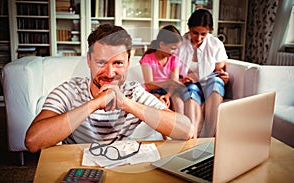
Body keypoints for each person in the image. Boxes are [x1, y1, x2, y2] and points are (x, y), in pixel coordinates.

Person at [25, 24, 195, 153]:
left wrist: (125, 103)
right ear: (89, 60)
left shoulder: (133, 94)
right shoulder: (69, 91)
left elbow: (186, 130)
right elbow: (33, 141)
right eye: (101, 62)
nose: (109, 73)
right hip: (77, 171)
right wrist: (94, 104)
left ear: (128, 63)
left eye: (118, 63)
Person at [177, 9, 229, 137]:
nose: (198, 38)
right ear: (189, 28)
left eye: (203, 34)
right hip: (188, 83)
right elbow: (171, 69)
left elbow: (219, 70)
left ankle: (209, 137)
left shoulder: (215, 44)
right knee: (191, 90)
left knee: (216, 82)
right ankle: (193, 138)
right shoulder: (179, 44)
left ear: (209, 32)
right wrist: (180, 80)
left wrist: (224, 77)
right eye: (195, 33)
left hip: (208, 82)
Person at [139, 25, 185, 109]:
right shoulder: (148, 59)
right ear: (161, 44)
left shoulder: (174, 59)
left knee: (179, 104)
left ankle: (180, 122)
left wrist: (168, 95)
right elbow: (149, 85)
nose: (175, 52)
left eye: (177, 49)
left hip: (171, 91)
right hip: (153, 91)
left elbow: (174, 83)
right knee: (161, 104)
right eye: (173, 48)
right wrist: (168, 83)